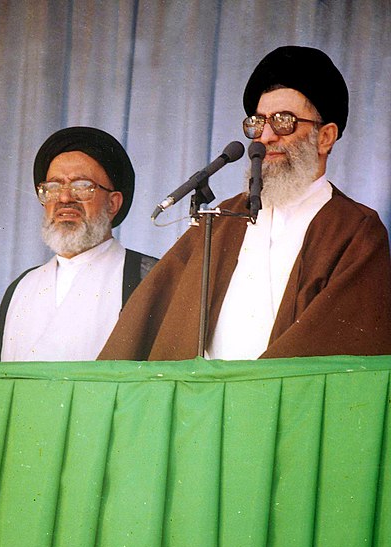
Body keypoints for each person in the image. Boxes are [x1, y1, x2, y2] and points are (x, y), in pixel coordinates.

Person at [98, 46, 391, 361]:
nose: (264, 137)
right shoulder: (223, 217)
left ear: (325, 137)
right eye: (257, 123)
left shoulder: (354, 229)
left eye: (283, 121)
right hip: (201, 404)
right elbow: (147, 321)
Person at [0, 126, 157, 361]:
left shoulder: (148, 278)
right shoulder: (21, 288)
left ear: (113, 203)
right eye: (53, 187)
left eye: (81, 186)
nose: (65, 198)